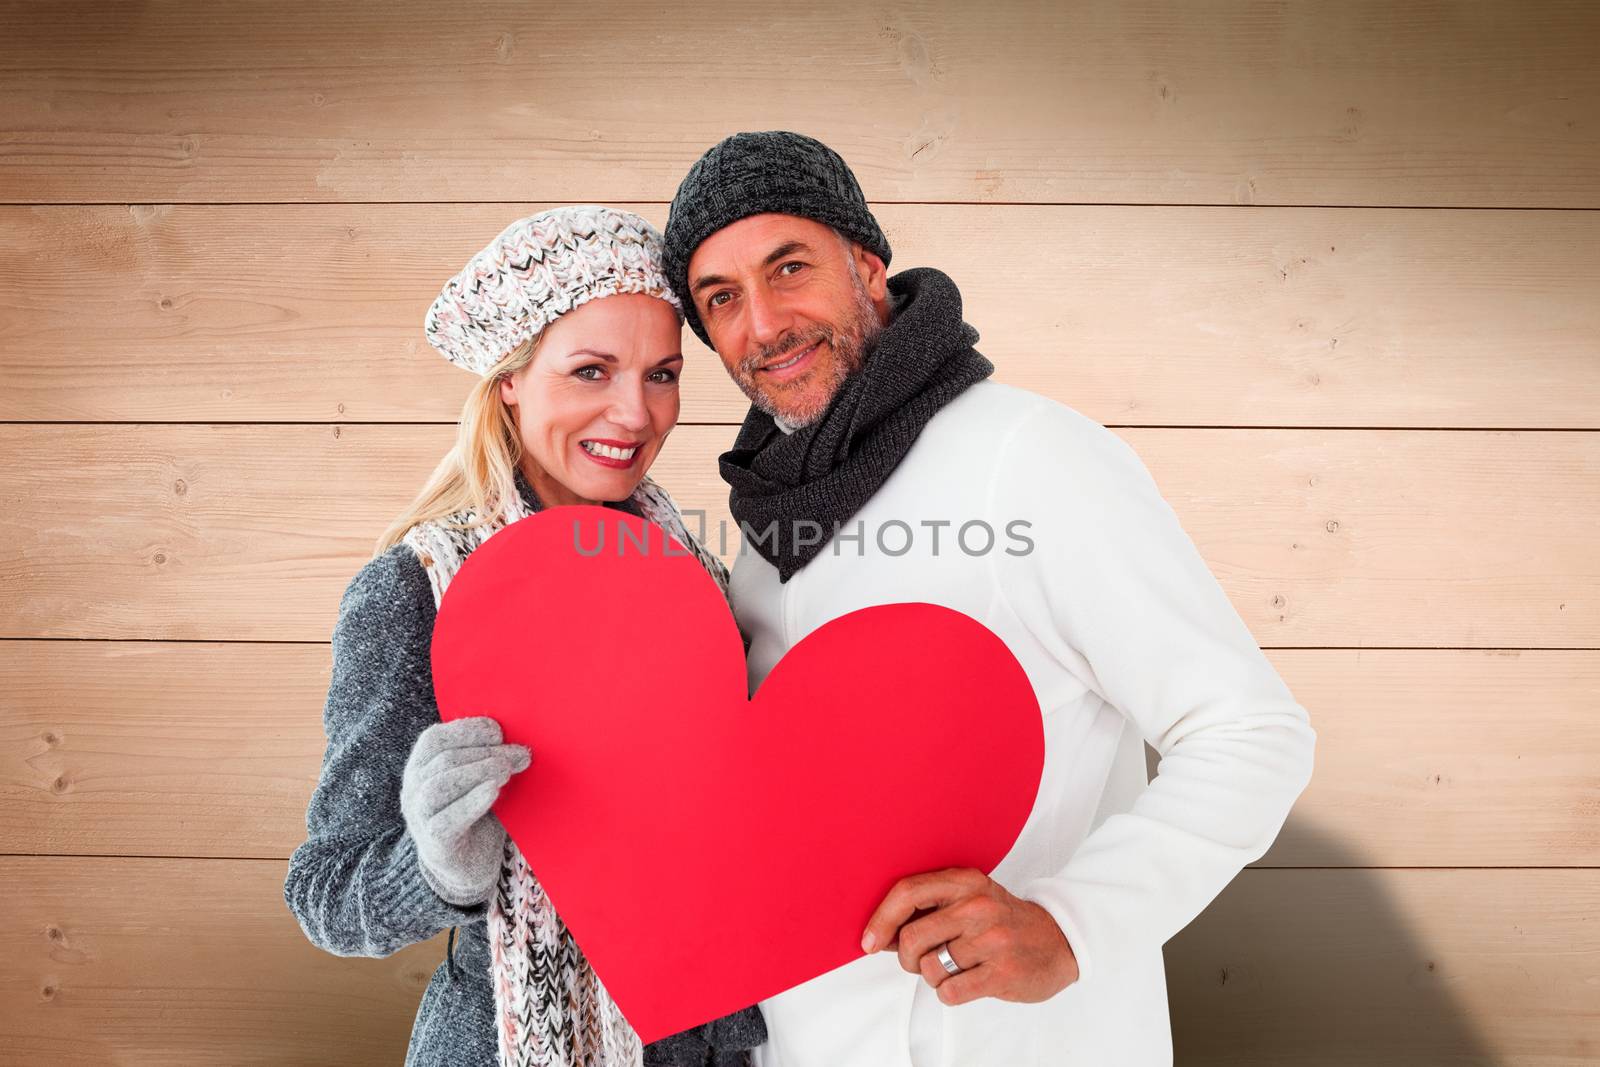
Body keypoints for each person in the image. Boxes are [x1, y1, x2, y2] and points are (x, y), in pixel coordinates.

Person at [661, 132, 1318, 1067]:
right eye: (721, 299)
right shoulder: (762, 527)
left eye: (790, 267)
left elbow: (1252, 733)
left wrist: (1071, 921)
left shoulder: (1032, 461)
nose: (762, 325)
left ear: (868, 267)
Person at [283, 206, 767, 1067]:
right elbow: (326, 896)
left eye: (663, 374)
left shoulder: (695, 571)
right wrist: (439, 865)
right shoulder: (416, 591)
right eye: (591, 371)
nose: (636, 412)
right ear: (510, 378)